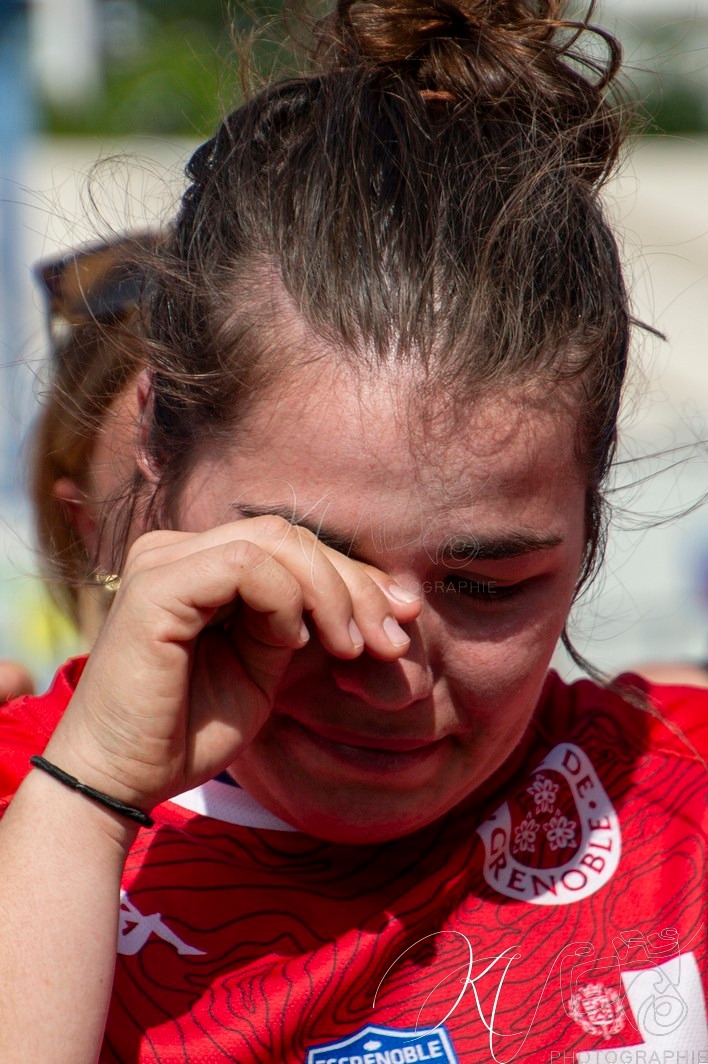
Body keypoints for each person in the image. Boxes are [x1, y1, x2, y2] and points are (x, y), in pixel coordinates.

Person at [0, 1, 705, 1061]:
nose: (383, 669)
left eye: (486, 585)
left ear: (589, 514)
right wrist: (83, 798)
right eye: (303, 565)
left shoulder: (678, 808)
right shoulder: (24, 802)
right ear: (154, 447)